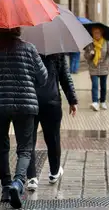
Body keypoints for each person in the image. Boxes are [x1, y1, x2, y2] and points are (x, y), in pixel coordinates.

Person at [0, 27, 47, 209]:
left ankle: (6, 186)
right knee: (25, 147)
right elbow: (43, 77)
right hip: (25, 104)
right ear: (18, 29)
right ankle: (18, 182)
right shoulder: (29, 48)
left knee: (2, 145)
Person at [26, 53, 78, 191]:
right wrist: (72, 100)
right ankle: (54, 172)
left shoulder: (26, 48)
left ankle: (31, 178)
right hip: (51, 101)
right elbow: (65, 77)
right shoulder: (57, 52)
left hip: (30, 101)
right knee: (53, 138)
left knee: (29, 139)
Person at [84, 28, 109, 112]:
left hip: (104, 67)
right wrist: (90, 54)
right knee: (94, 85)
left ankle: (102, 101)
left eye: (98, 33)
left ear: (101, 33)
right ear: (92, 34)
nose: (96, 35)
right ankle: (95, 102)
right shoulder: (90, 44)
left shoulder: (106, 42)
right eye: (95, 33)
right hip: (93, 68)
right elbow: (86, 56)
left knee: (103, 86)